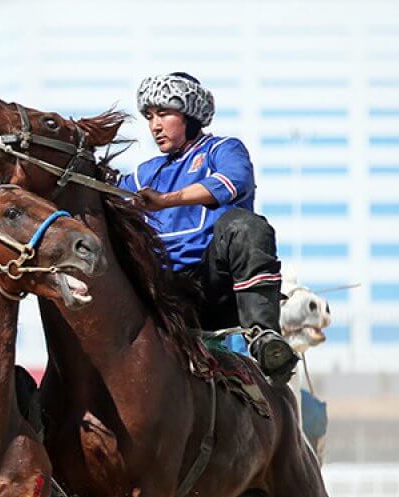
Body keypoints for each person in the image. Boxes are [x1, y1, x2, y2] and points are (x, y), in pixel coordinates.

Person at [119, 72, 299, 384]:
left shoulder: (223, 150)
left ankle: (264, 337)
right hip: (165, 292)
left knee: (244, 225)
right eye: (149, 116)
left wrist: (166, 200)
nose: (154, 126)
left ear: (189, 116)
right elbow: (105, 192)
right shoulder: (146, 172)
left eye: (164, 113)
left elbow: (234, 182)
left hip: (215, 288)